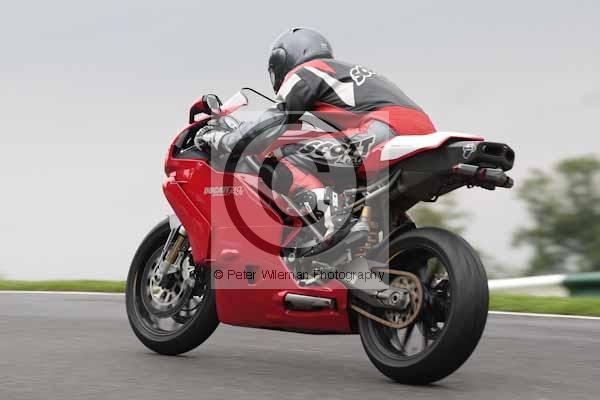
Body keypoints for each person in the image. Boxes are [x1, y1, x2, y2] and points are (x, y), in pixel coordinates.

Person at [198, 27, 436, 239]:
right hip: (421, 131)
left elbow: (274, 121)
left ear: (284, 59)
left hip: (384, 130)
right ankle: (406, 248)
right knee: (360, 190)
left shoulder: (308, 71)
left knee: (281, 159)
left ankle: (335, 220)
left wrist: (223, 139)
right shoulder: (345, 72)